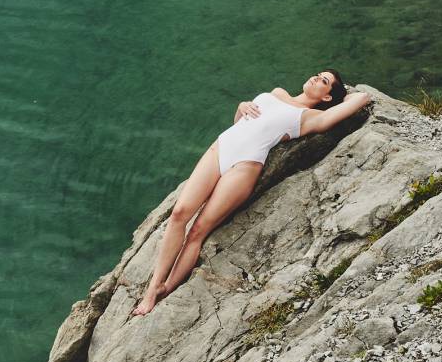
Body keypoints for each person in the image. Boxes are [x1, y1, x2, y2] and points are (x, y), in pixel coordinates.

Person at [131, 69, 371, 316]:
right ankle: (152, 287)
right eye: (318, 74)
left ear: (328, 98)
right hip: (221, 148)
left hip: (244, 166)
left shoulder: (309, 117)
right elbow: (239, 122)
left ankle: (164, 288)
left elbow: (361, 97)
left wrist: (346, 94)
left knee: (198, 231)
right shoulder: (277, 92)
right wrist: (242, 106)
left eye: (324, 81)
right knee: (179, 212)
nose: (315, 78)